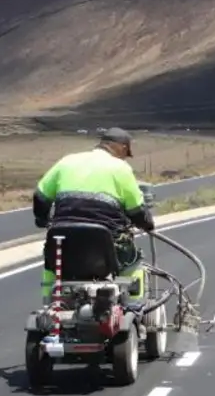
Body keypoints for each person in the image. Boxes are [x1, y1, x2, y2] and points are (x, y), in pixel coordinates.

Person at [32, 127, 155, 301]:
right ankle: (135, 308)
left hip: (64, 239)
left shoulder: (67, 161)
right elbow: (136, 210)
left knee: (51, 264)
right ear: (123, 147)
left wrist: (42, 219)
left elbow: (40, 196)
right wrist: (147, 224)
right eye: (127, 152)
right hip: (105, 243)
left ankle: (48, 303)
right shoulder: (121, 168)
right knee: (134, 262)